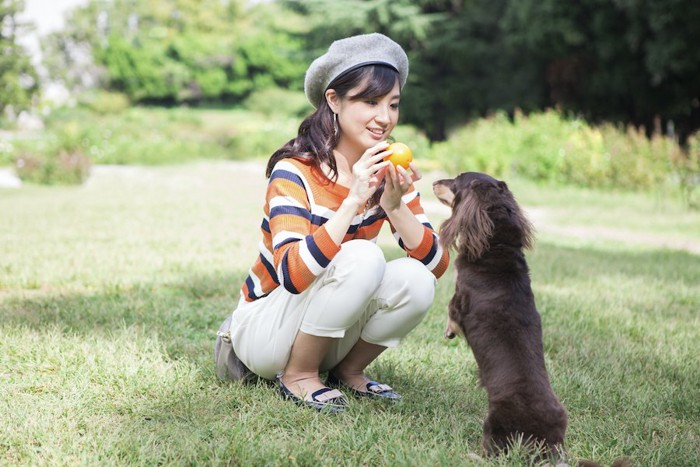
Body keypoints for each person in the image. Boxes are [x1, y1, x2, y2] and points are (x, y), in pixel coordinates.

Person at [215, 33, 450, 413]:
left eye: (393, 104)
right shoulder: (294, 172)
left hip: (325, 327)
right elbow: (292, 275)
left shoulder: (389, 171)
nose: (384, 118)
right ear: (333, 100)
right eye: (370, 102)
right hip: (265, 330)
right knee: (363, 256)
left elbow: (437, 266)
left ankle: (348, 372)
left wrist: (394, 205)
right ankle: (299, 375)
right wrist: (354, 199)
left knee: (416, 279)